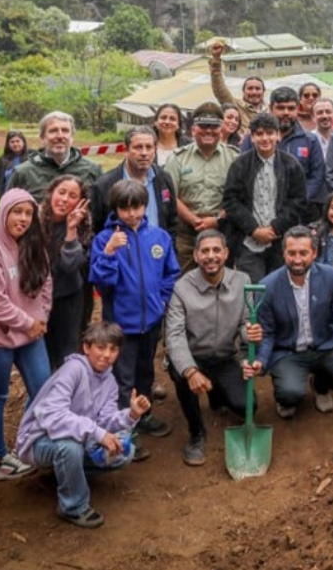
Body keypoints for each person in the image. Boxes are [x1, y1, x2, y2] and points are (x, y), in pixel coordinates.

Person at [14, 321, 150, 529]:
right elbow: (52, 415)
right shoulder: (73, 369)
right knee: (70, 447)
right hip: (38, 440)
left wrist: (131, 414)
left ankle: (68, 473)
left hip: (77, 437)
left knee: (125, 450)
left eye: (113, 349)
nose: (107, 355)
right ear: (86, 348)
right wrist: (97, 432)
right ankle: (73, 506)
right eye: (100, 347)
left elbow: (105, 421)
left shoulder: (109, 381)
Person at [90, 180, 180, 455]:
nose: (131, 214)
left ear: (145, 206)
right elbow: (100, 282)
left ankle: (145, 415)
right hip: (121, 326)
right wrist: (109, 253)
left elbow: (171, 272)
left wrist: (162, 301)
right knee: (122, 379)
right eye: (125, 209)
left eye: (137, 207)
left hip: (151, 322)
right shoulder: (105, 240)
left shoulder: (159, 237)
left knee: (146, 373)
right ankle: (124, 431)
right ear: (115, 209)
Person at [0, 188, 53, 481]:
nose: (22, 218)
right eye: (16, 212)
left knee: (43, 388)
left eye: (28, 213)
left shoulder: (34, 243)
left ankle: (28, 443)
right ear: (3, 213)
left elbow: (46, 283)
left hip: (31, 333)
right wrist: (28, 322)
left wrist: (41, 316)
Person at [245, 226, 333, 418]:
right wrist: (261, 360)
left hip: (324, 346)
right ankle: (285, 396)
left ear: (314, 253)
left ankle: (320, 386)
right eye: (291, 253)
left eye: (303, 253)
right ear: (283, 254)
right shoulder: (267, 286)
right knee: (291, 394)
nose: (297, 259)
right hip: (288, 352)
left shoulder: (330, 276)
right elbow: (267, 331)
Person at [165, 230, 259, 466]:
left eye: (217, 250)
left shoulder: (242, 281)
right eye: (204, 251)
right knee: (180, 374)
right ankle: (197, 433)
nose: (211, 256)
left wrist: (253, 334)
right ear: (196, 256)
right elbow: (174, 336)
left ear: (226, 253)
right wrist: (191, 371)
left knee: (247, 405)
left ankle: (217, 394)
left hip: (226, 357)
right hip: (195, 357)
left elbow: (246, 323)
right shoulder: (181, 289)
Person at [223, 113, 307, 282]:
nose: (265, 138)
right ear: (252, 137)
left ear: (277, 135)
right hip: (248, 241)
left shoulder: (291, 164)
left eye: (270, 133)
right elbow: (231, 201)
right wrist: (254, 229)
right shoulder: (240, 164)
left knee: (278, 288)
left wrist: (275, 228)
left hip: (281, 241)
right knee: (253, 292)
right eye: (259, 134)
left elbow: (298, 201)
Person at [164, 101, 241, 271]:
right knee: (187, 282)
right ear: (193, 130)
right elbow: (169, 195)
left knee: (222, 282)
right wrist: (194, 220)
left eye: (213, 126)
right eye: (203, 126)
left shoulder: (234, 158)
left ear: (221, 129)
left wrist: (217, 220)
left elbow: (240, 196)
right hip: (186, 233)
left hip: (223, 229)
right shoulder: (177, 158)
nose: (208, 130)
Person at [240, 87, 326, 218]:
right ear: (270, 108)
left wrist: (299, 201)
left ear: (298, 108)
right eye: (280, 108)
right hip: (260, 212)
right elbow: (243, 172)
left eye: (291, 108)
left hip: (300, 213)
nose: (286, 113)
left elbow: (317, 175)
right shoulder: (252, 139)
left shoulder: (310, 140)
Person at [40, 175, 91, 370]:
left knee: (67, 353)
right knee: (42, 352)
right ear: (51, 192)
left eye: (72, 196)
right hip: (37, 299)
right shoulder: (34, 219)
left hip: (68, 297)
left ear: (80, 202)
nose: (64, 199)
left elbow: (70, 265)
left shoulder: (82, 227)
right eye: (61, 192)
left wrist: (71, 229)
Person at [91, 125, 178, 238]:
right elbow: (96, 228)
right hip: (120, 253)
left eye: (149, 147)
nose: (144, 153)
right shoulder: (104, 185)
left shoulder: (164, 179)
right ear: (126, 150)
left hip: (157, 251)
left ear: (155, 150)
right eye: (138, 147)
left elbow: (172, 223)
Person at [7, 111, 102, 202]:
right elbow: (6, 212)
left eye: (65, 131)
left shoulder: (92, 170)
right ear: (42, 138)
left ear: (72, 137)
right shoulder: (23, 174)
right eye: (53, 131)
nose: (60, 136)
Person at [208, 42, 266, 134]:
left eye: (258, 88)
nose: (254, 92)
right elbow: (219, 89)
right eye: (250, 88)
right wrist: (216, 59)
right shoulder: (235, 106)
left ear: (264, 92)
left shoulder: (270, 111)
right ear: (243, 91)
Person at [0, 131, 29, 198]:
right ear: (8, 144)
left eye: (18, 141)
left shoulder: (30, 158)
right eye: (12, 142)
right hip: (7, 197)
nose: (15, 144)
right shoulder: (2, 160)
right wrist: (1, 195)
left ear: (23, 142)